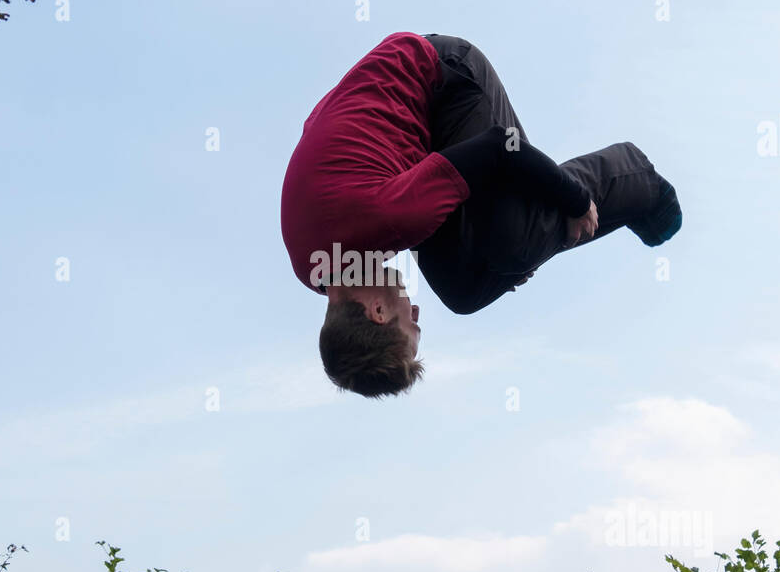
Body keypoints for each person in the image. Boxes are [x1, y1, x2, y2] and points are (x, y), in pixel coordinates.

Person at [280, 31, 681, 398]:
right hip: (398, 132)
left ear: (379, 312)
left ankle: (636, 177)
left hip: (445, 76)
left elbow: (500, 146)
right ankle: (524, 243)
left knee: (515, 244)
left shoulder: (389, 217)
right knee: (464, 293)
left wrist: (574, 200)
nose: (415, 310)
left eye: (411, 323)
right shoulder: (318, 268)